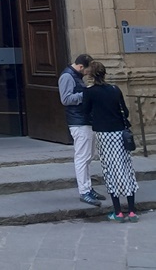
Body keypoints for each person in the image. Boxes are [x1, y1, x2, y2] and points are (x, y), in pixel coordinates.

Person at [83, 60, 139, 222]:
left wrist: (97, 119)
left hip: (104, 134)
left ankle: (118, 212)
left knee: (110, 169)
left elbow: (85, 112)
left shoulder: (90, 92)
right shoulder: (115, 89)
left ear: (91, 75)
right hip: (120, 133)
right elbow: (125, 111)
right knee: (126, 168)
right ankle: (132, 211)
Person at [58, 53, 105, 205]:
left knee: (88, 156)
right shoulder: (67, 76)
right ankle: (84, 191)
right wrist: (86, 94)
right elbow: (65, 99)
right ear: (80, 66)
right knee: (82, 157)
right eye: (87, 70)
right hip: (78, 122)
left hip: (85, 120)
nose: (88, 73)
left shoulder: (77, 76)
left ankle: (88, 188)